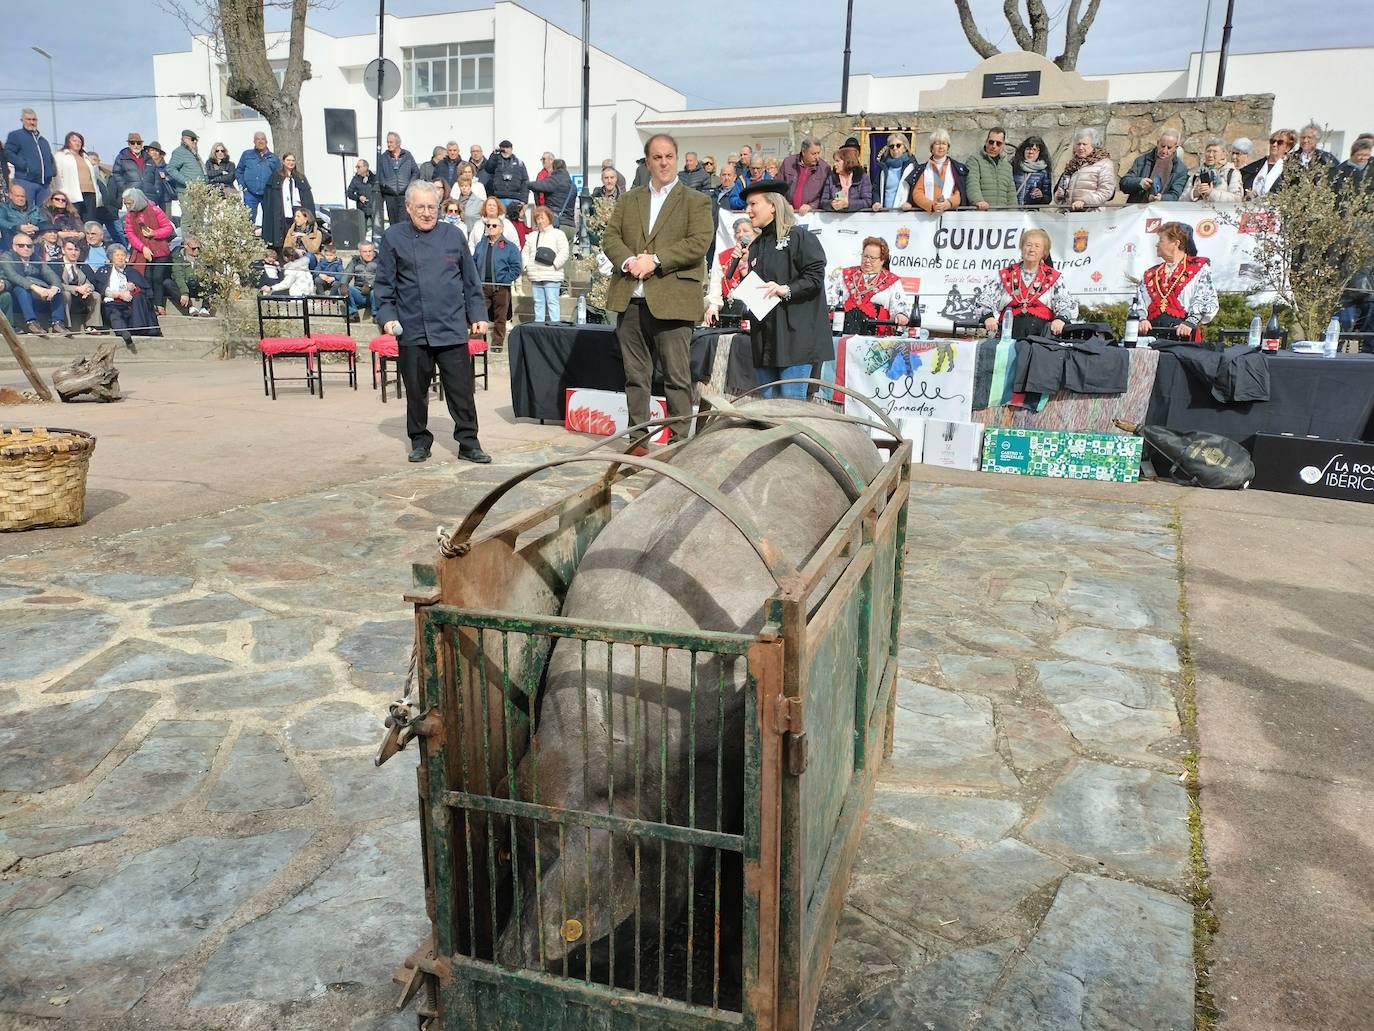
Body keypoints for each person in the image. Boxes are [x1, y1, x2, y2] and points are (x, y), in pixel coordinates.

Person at [601, 132, 713, 445]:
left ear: (676, 159)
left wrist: (656, 260)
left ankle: (679, 444)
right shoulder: (628, 199)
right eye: (657, 157)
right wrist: (628, 263)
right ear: (647, 161)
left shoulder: (696, 201)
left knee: (677, 378)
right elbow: (611, 238)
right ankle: (637, 441)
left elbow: (699, 242)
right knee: (635, 377)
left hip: (674, 301)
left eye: (669, 156)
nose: (664, 162)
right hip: (631, 300)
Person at [375, 180, 491, 465]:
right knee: (416, 391)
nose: (427, 213)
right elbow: (384, 286)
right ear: (408, 208)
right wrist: (388, 318)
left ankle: (468, 442)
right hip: (413, 328)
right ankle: (419, 440)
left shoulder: (453, 235)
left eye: (432, 207)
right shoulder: (394, 237)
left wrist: (477, 314)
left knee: (461, 391)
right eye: (421, 207)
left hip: (451, 327)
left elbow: (470, 281)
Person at [740, 180, 830, 398]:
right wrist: (745, 278)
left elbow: (815, 276)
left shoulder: (800, 237)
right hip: (765, 339)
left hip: (794, 339)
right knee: (767, 409)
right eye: (747, 206)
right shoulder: (756, 245)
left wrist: (785, 289)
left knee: (790, 407)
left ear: (772, 205)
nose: (748, 211)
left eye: (753, 204)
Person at [974, 228, 1079, 338]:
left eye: (1037, 246)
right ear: (1022, 248)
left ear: (1044, 252)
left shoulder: (1052, 277)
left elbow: (1067, 304)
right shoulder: (1006, 274)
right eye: (1028, 245)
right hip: (1008, 334)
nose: (1032, 249)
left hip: (1042, 338)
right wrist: (988, 317)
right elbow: (984, 301)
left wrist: (1061, 319)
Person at [1135, 221, 1217, 341]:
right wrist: (1142, 319)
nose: (1157, 245)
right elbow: (1138, 302)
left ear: (1175, 243)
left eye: (1161, 240)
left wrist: (1190, 322)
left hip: (1183, 337)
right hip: (1151, 337)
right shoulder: (1151, 273)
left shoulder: (1198, 268)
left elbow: (1205, 298)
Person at [826, 236, 914, 336]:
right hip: (843, 331)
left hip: (876, 336)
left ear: (882, 260)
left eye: (872, 258)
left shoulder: (891, 281)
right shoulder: (846, 275)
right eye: (865, 256)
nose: (867, 261)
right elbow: (830, 299)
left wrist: (901, 315)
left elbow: (900, 305)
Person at [121, 187, 176, 314]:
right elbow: (131, 235)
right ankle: (150, 306)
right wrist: (143, 247)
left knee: (157, 277)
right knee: (147, 277)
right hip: (143, 251)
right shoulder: (130, 216)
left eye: (129, 203)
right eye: (126, 204)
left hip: (160, 250)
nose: (127, 206)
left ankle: (159, 304)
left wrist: (154, 233)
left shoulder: (155, 210)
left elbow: (167, 227)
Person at [93, 243, 157, 351]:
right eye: (117, 255)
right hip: (112, 303)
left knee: (138, 300)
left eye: (122, 255)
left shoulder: (132, 271)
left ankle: (138, 328)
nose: (120, 258)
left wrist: (134, 289)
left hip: (129, 304)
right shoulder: (103, 271)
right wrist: (117, 294)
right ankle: (123, 332)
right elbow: (100, 288)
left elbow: (146, 290)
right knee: (114, 313)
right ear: (111, 257)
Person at [473, 213, 521, 350]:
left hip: (501, 287)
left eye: (494, 225)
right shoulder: (481, 244)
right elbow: (473, 262)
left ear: (501, 228)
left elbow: (516, 267)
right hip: (482, 285)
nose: (490, 228)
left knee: (500, 317)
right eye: (488, 225)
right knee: (478, 316)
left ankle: (497, 344)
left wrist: (504, 279)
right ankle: (476, 344)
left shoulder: (509, 246)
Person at [1, 233, 63, 334]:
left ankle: (58, 322)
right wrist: (35, 287)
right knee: (21, 289)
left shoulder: (36, 258)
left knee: (58, 291)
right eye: (21, 245)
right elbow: (13, 276)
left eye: (29, 246)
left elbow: (51, 274)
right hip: (16, 292)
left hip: (37, 292)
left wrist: (54, 288)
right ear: (14, 247)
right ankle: (31, 322)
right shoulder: (7, 257)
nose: (26, 248)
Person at [522, 205, 569, 322]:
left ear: (549, 218)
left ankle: (555, 325)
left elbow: (564, 252)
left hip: (552, 274)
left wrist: (555, 264)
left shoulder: (558, 234)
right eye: (538, 218)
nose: (540, 221)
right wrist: (527, 266)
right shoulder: (532, 236)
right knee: (538, 302)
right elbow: (525, 252)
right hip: (535, 274)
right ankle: (539, 325)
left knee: (552, 301)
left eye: (542, 218)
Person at [705, 216, 755, 325]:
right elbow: (716, 283)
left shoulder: (760, 253)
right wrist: (713, 306)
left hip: (754, 309)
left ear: (755, 233)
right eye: (738, 232)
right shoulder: (725, 256)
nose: (741, 234)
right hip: (730, 310)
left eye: (745, 231)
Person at [1054, 128, 1116, 211]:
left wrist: (1084, 202)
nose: (1080, 147)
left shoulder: (1104, 164)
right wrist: (1059, 196)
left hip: (1091, 214)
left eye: (1084, 144)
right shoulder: (1072, 164)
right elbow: (1062, 187)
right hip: (1069, 213)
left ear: (1094, 145)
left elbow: (1106, 191)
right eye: (1078, 144)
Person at [262, 153, 315, 251]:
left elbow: (307, 197)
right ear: (283, 161)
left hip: (296, 209)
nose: (291, 163)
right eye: (288, 160)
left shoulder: (300, 177)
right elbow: (270, 197)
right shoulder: (276, 176)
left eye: (293, 160)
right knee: (282, 232)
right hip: (281, 211)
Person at [1120, 130, 1188, 203]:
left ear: (1175, 148)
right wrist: (1140, 183)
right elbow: (1123, 184)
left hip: (1162, 211)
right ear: (1158, 143)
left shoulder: (1181, 169)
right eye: (1162, 146)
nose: (1164, 151)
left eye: (1169, 148)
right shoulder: (1142, 161)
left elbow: (1175, 194)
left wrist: (1161, 198)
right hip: (1137, 206)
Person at [911, 129, 967, 213]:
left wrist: (949, 203)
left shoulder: (956, 168)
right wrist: (931, 205)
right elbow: (917, 192)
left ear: (948, 147)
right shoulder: (922, 169)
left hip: (950, 215)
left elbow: (959, 192)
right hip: (927, 215)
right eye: (937, 144)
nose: (941, 147)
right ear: (931, 148)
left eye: (944, 144)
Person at [6, 109, 54, 203]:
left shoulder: (43, 141)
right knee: (27, 212)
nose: (32, 122)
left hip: (44, 185)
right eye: (28, 119)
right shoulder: (16, 135)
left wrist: (51, 172)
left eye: (34, 119)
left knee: (44, 214)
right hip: (25, 181)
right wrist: (25, 165)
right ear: (22, 120)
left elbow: (50, 158)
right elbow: (8, 153)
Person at [965, 127, 1017, 210]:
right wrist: (978, 201)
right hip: (981, 214)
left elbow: (1011, 193)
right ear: (986, 142)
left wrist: (1014, 214)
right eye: (991, 142)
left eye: (998, 143)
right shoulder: (975, 160)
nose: (994, 146)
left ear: (1003, 145)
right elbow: (972, 183)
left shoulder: (1007, 166)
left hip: (1002, 217)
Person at [236, 131, 281, 225]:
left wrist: (274, 191)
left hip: (267, 194)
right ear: (254, 141)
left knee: (269, 220)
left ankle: (268, 239)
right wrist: (243, 186)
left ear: (266, 141)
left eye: (262, 139)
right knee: (248, 219)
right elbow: (239, 171)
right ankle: (247, 239)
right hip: (250, 193)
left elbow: (278, 176)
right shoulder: (247, 155)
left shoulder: (273, 158)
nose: (260, 141)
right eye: (257, 139)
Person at [53, 131, 100, 220]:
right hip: (72, 194)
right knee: (74, 220)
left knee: (89, 221)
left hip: (90, 193)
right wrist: (61, 193)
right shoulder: (61, 155)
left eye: (79, 141)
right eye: (74, 140)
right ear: (68, 142)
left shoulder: (85, 157)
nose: (77, 143)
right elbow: (58, 176)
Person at [56, 238, 98, 334]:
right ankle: (65, 325)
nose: (73, 253)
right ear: (63, 250)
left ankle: (91, 325)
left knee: (96, 295)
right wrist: (77, 289)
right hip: (63, 295)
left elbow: (92, 283)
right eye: (70, 249)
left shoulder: (84, 266)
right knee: (65, 294)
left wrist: (88, 289)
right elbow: (55, 284)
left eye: (76, 250)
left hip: (81, 297)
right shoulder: (55, 264)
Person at [378, 133, 420, 227]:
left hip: (404, 195)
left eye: (391, 142)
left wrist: (410, 186)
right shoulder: (383, 157)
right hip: (390, 196)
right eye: (387, 142)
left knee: (405, 223)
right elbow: (380, 175)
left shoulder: (407, 155)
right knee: (393, 224)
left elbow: (416, 172)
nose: (389, 144)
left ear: (398, 143)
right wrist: (385, 186)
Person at [820, 138, 872, 211]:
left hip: (856, 220)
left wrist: (848, 204)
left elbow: (867, 201)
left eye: (838, 161)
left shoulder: (863, 177)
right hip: (834, 219)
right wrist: (831, 204)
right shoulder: (831, 178)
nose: (835, 164)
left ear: (847, 162)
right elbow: (823, 201)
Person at [1186, 138, 1244, 203]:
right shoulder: (1197, 173)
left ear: (1224, 154)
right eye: (1208, 151)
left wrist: (1211, 193)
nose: (1210, 155)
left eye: (1214, 152)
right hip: (1197, 212)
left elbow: (1237, 199)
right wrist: (1195, 193)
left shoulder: (1232, 173)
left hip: (1220, 212)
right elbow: (1181, 200)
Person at [779, 139, 829, 214]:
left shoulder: (824, 168)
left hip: (811, 215)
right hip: (787, 213)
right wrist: (785, 204)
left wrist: (812, 206)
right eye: (813, 154)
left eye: (818, 153)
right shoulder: (788, 163)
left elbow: (826, 194)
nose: (817, 157)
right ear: (803, 152)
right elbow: (778, 187)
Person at [1243, 129, 1295, 198]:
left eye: (1280, 142)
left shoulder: (1290, 171)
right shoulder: (1254, 167)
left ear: (1287, 148)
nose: (1274, 144)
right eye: (1272, 141)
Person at [871, 132, 916, 211]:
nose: (895, 148)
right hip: (884, 213)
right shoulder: (883, 168)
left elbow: (916, 189)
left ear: (905, 148)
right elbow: (876, 189)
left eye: (898, 145)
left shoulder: (912, 167)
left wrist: (910, 202)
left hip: (904, 214)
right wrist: (876, 202)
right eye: (891, 146)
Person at [171, 235, 211, 315]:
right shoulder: (178, 257)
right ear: (186, 246)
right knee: (168, 283)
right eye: (193, 248)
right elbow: (178, 275)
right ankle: (190, 307)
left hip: (199, 285)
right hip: (185, 285)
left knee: (214, 281)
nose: (196, 251)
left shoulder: (204, 257)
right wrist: (184, 293)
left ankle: (205, 308)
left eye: (198, 248)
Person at [484, 140, 530, 204]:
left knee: (514, 214)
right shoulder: (495, 160)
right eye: (503, 148)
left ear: (511, 149)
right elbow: (488, 169)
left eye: (507, 148)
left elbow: (525, 181)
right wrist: (494, 154)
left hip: (515, 198)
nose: (505, 150)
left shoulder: (519, 163)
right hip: (499, 198)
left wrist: (524, 200)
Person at [1012, 136, 1053, 207]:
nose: (1031, 152)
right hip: (1013, 211)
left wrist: (1041, 196)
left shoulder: (1044, 172)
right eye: (1028, 149)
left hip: (1031, 213)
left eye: (1034, 149)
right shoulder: (1015, 167)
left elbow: (1048, 199)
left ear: (1039, 152)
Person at [345, 239, 380, 320]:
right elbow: (346, 275)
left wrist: (370, 285)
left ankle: (376, 315)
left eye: (370, 251)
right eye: (365, 252)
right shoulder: (355, 261)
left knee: (375, 291)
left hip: (374, 294)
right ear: (360, 252)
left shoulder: (380, 261)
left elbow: (383, 277)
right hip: (359, 293)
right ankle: (353, 314)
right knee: (343, 287)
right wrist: (343, 284)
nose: (368, 254)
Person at [167, 129, 206, 202]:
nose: (195, 141)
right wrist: (188, 182)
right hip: (186, 193)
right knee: (188, 214)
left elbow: (203, 170)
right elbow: (171, 169)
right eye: (193, 139)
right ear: (185, 139)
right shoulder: (179, 152)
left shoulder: (194, 153)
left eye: (196, 140)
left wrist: (206, 183)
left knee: (200, 214)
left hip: (200, 192)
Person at [347, 158, 381, 239]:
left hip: (374, 210)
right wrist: (359, 198)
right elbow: (349, 193)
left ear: (365, 167)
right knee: (362, 233)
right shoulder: (355, 179)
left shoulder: (375, 178)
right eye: (356, 167)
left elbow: (381, 192)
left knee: (377, 232)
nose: (357, 169)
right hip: (362, 210)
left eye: (358, 167)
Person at [0, 183, 41, 249]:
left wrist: (37, 228)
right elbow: (1, 221)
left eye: (22, 196)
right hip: (11, 244)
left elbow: (44, 223)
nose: (20, 199)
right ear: (10, 196)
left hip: (33, 242)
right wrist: (18, 227)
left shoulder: (35, 209)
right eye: (17, 196)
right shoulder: (4, 207)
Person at [540, 158, 576, 230]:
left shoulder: (552, 181)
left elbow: (536, 186)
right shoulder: (573, 185)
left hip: (558, 224)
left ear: (553, 168)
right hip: (571, 225)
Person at [111, 132, 149, 200]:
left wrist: (155, 191)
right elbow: (116, 174)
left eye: (138, 143)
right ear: (129, 144)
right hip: (132, 196)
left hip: (148, 196)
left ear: (142, 144)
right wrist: (126, 190)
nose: (136, 145)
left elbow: (155, 175)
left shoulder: (148, 157)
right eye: (132, 143)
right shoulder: (121, 157)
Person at [140, 142, 176, 209]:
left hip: (165, 198)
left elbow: (174, 179)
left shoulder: (167, 167)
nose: (154, 152)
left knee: (166, 218)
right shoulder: (144, 166)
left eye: (156, 151)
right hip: (149, 198)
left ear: (160, 153)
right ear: (148, 152)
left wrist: (166, 177)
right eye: (152, 150)